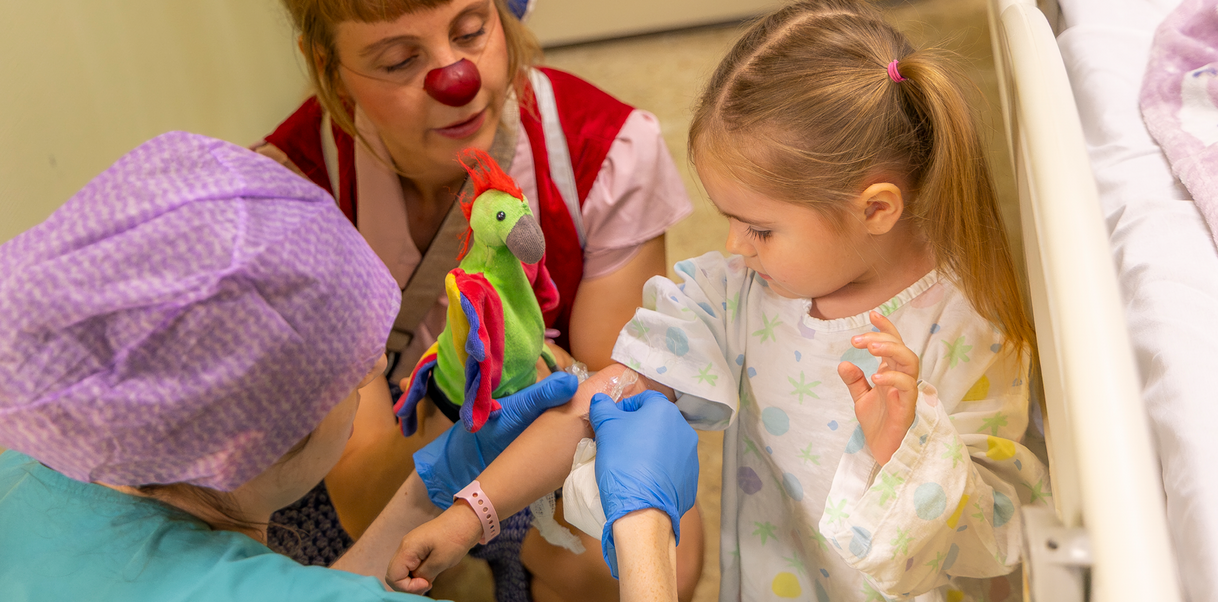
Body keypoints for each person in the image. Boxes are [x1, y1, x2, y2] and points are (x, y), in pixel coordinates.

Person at [388, 0, 1052, 602]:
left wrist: (907, 447)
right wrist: (469, 516)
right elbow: (598, 401)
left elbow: (998, 533)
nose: (733, 244)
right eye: (729, 218)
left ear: (875, 208)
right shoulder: (732, 294)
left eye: (759, 226)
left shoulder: (965, 325)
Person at [0, 132, 697, 602]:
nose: (379, 375)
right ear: (253, 440)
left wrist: (428, 495)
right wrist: (643, 539)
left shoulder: (22, 475)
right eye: (361, 375)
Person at [253, 0, 701, 598]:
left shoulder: (604, 153)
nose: (457, 80)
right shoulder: (294, 192)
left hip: (549, 459)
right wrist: (455, 391)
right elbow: (366, 498)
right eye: (400, 60)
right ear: (326, 65)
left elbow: (620, 415)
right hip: (396, 477)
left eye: (472, 28)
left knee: (617, 557)